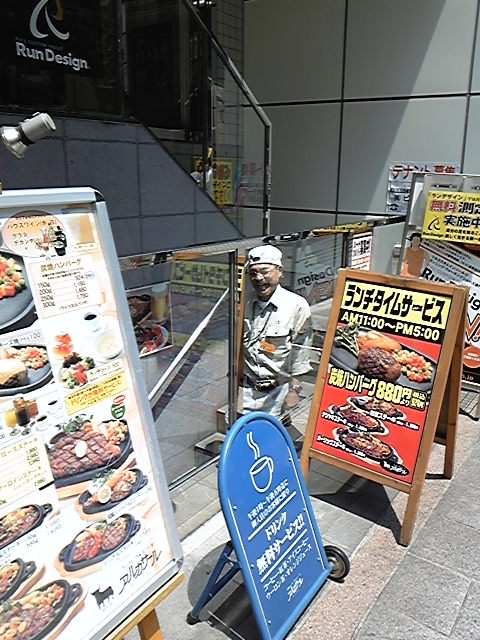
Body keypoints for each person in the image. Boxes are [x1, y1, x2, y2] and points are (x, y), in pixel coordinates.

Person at [241, 244, 313, 419]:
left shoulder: (296, 305)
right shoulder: (244, 303)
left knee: (269, 434)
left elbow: (300, 353)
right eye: (253, 273)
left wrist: (294, 391)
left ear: (280, 271)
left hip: (277, 394)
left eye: (265, 272)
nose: (259, 278)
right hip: (246, 391)